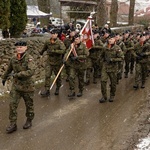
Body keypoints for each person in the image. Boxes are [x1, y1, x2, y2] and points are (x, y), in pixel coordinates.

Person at [2, 41, 36, 133]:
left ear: (26, 48)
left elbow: (30, 71)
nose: (19, 48)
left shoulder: (29, 59)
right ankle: (13, 124)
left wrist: (17, 74)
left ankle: (29, 120)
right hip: (16, 86)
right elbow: (9, 69)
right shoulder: (13, 59)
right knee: (12, 104)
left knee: (29, 105)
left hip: (27, 86)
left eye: (21, 47)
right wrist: (4, 78)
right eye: (18, 47)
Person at [40, 29, 66, 97]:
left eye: (54, 34)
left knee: (57, 76)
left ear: (57, 34)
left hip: (57, 61)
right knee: (47, 75)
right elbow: (44, 48)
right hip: (49, 61)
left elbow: (63, 50)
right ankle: (47, 90)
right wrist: (41, 53)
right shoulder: (48, 41)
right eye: (52, 34)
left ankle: (57, 87)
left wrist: (55, 51)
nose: (53, 35)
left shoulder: (60, 42)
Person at [99, 34, 124, 103]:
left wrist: (112, 60)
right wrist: (101, 63)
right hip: (105, 67)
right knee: (103, 81)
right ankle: (104, 96)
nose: (110, 40)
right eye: (109, 39)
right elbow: (101, 56)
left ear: (115, 40)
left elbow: (121, 58)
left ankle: (112, 95)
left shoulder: (117, 48)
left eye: (111, 39)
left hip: (113, 68)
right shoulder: (105, 47)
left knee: (113, 83)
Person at [63, 33, 88, 97]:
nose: (75, 40)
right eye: (75, 39)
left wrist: (78, 57)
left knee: (80, 79)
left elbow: (86, 55)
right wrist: (65, 59)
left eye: (77, 39)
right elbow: (67, 52)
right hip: (73, 65)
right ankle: (72, 90)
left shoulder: (83, 46)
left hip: (81, 65)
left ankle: (80, 90)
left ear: (80, 39)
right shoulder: (72, 46)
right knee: (71, 77)